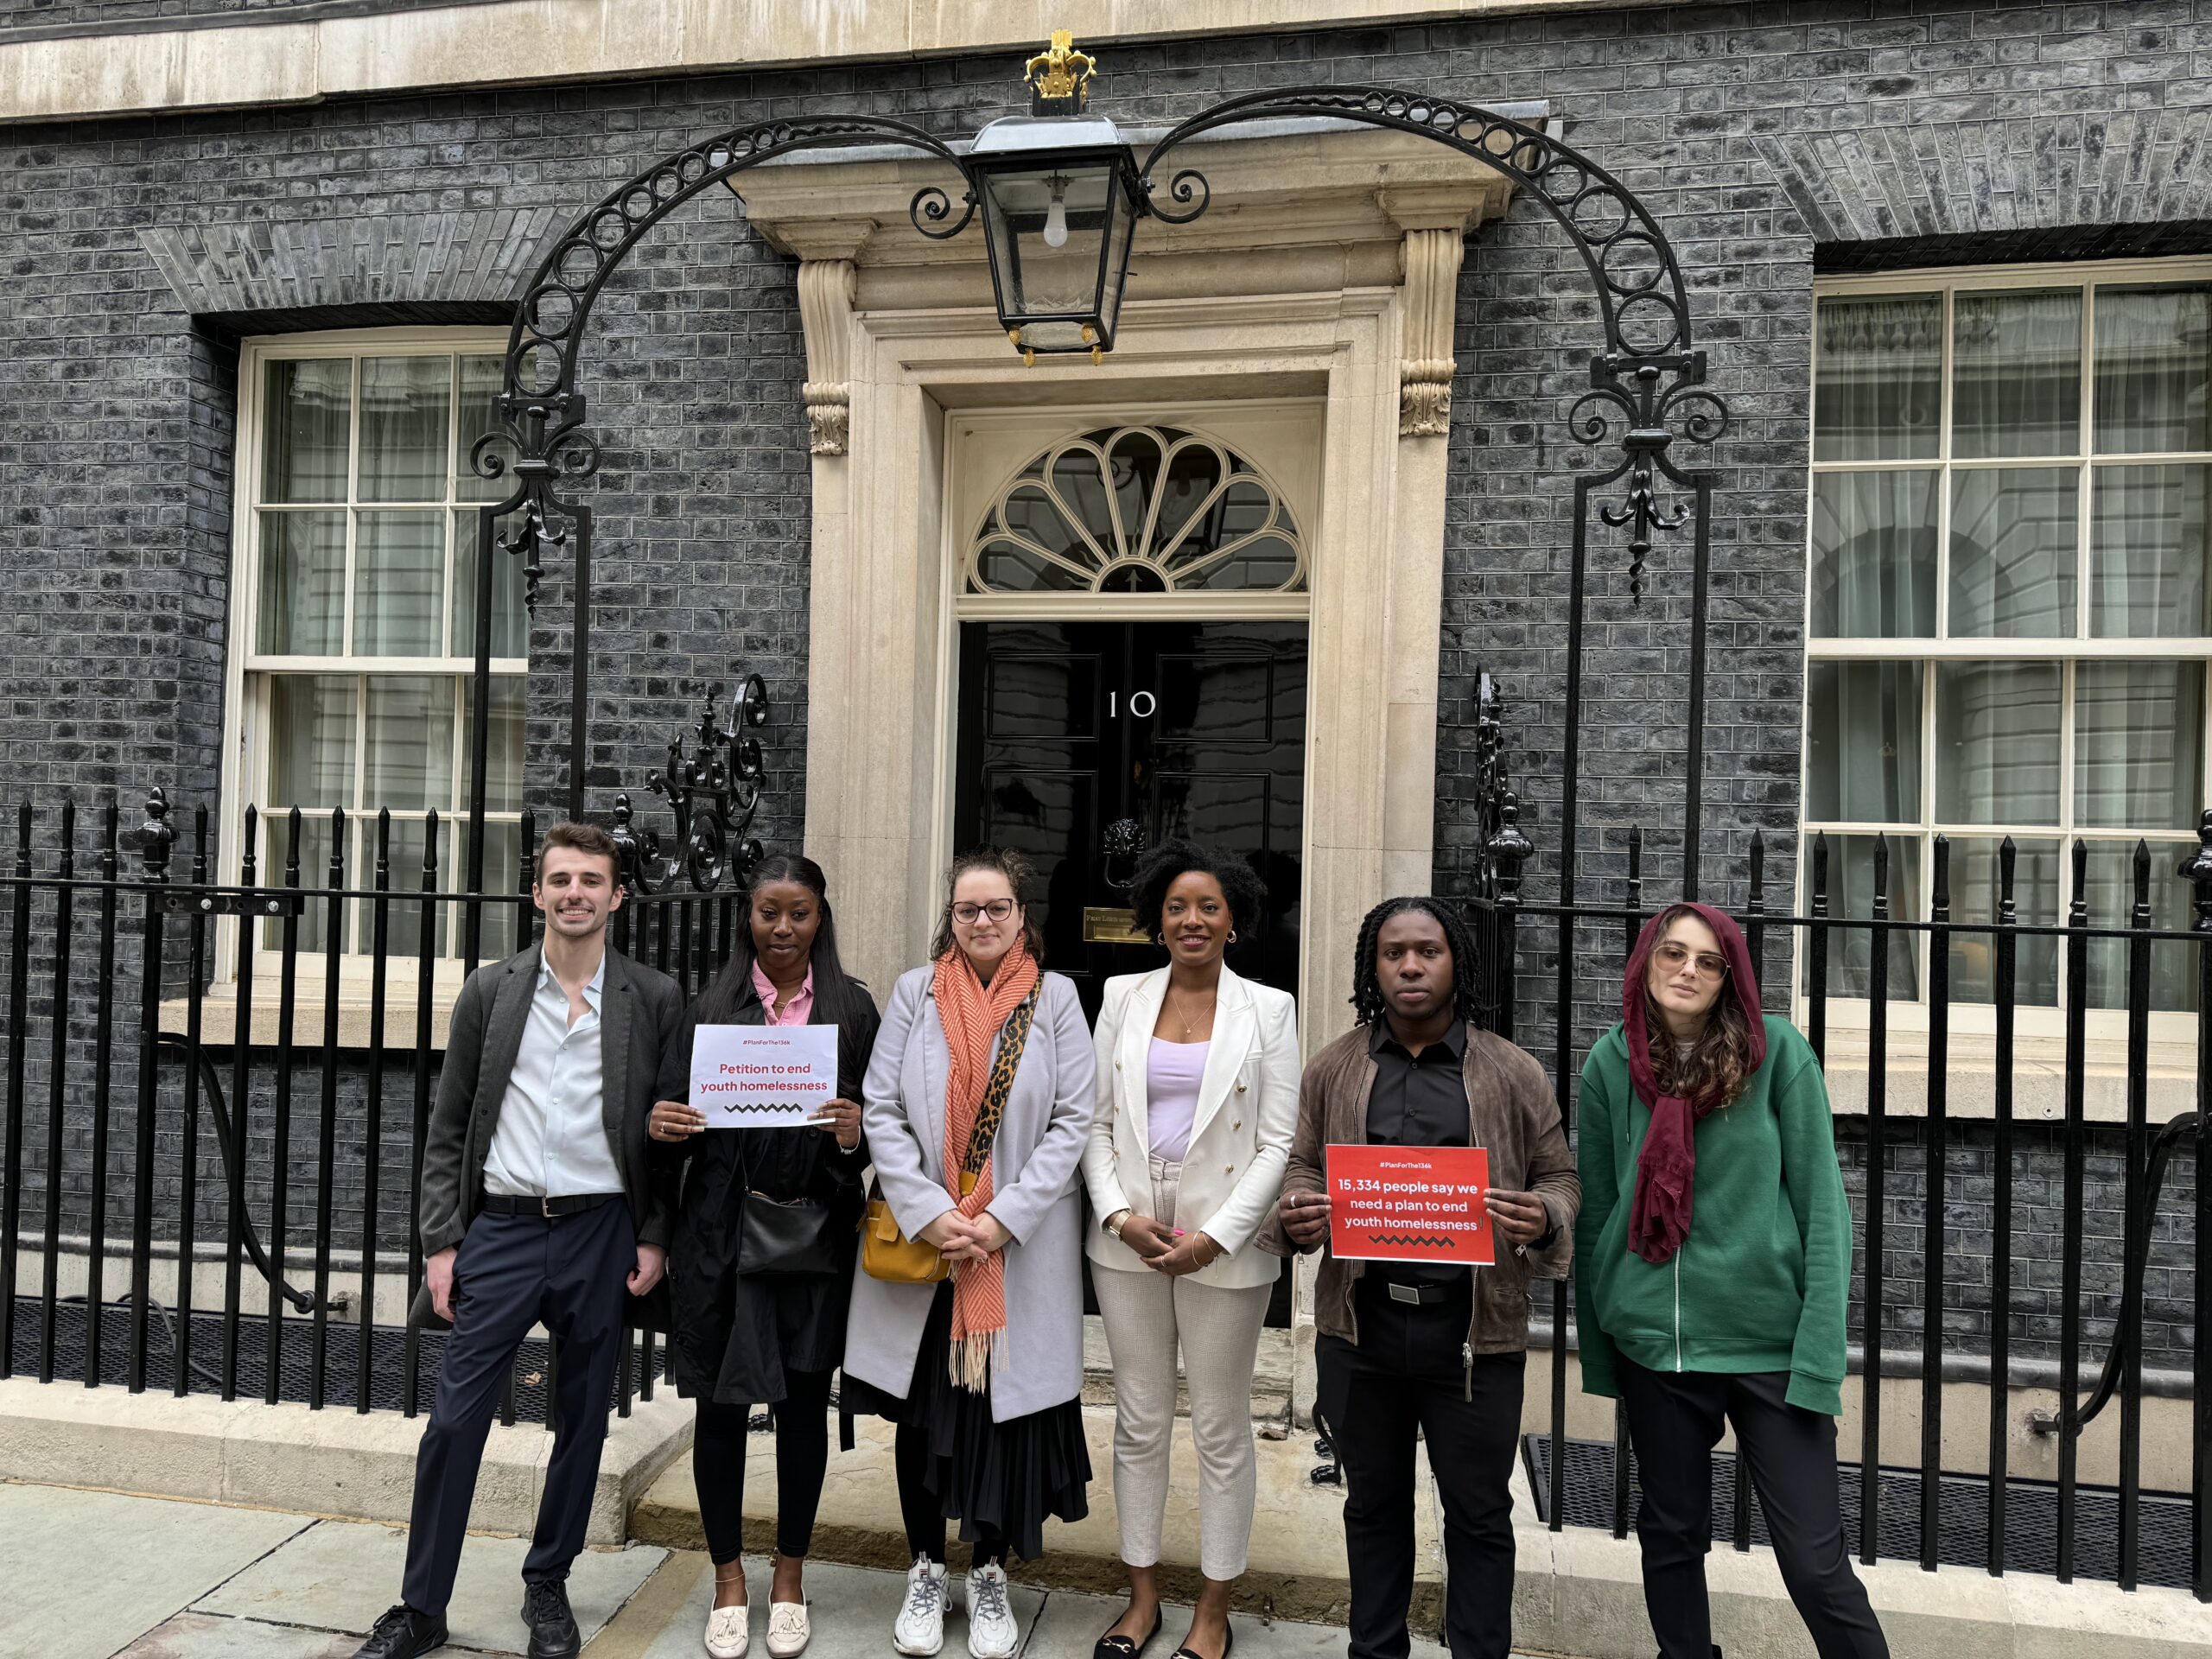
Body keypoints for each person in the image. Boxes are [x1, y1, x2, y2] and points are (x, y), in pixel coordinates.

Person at [354, 822, 684, 1659]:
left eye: (591, 881)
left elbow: (669, 1133)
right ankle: (421, 1605)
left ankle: (549, 1585)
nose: (575, 893)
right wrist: (441, 1241)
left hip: (601, 1230)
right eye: (560, 880)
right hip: (499, 1229)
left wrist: (653, 1236)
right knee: (454, 1421)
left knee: (581, 1419)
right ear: (537, 893)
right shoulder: (490, 993)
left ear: (617, 896)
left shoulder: (652, 997)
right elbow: (449, 1124)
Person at [1575, 902, 1887, 1659]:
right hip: (1659, 1351)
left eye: (1707, 961)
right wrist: (1604, 1347)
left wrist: (1819, 1359)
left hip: (1769, 1350)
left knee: (1815, 1565)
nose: (1687, 970)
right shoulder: (1609, 1064)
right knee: (1672, 1539)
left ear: (1729, 977)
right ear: (1646, 964)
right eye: (1673, 954)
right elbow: (1598, 1217)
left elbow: (1823, 1209)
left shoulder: (1777, 1053)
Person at [1273, 897, 1577, 1659]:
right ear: (1373, 967)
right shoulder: (1334, 1066)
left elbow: (1561, 1177)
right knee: (1373, 1509)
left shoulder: (1510, 1072)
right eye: (1394, 952)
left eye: (1428, 951)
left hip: (1472, 1334)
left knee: (1478, 1515)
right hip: (1361, 1326)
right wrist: (1298, 1209)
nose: (1411, 965)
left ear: (1455, 963)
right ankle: (1375, 1652)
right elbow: (1304, 1162)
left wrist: (1541, 1215)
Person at [841, 847, 1096, 1659]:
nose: (982, 922)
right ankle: (924, 1568)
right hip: (931, 1252)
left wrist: (1002, 1219)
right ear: (949, 919)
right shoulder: (915, 995)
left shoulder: (1056, 1000)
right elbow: (880, 1108)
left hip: (1010, 1251)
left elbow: (1073, 1122)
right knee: (923, 1421)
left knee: (996, 1419)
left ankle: (987, 1573)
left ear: (1023, 916)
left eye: (997, 908)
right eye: (967, 910)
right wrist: (928, 1211)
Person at [647, 855, 883, 1659]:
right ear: (747, 917)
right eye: (768, 913)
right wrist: (665, 1127)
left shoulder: (852, 1009)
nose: (783, 929)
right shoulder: (708, 1006)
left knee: (800, 1410)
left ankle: (788, 1575)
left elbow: (882, 1134)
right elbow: (665, 1125)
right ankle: (727, 1580)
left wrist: (855, 1136)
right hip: (717, 1238)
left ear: (823, 918)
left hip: (811, 1238)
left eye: (801, 914)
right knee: (717, 1410)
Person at [1082, 839, 1299, 1659]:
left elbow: (1279, 1143)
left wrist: (1217, 1236)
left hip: (1225, 1242)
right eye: (1177, 906)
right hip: (1130, 1237)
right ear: (1156, 920)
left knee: (1218, 1425)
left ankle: (1213, 1607)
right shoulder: (1122, 997)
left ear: (1233, 919)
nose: (1192, 919)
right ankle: (1140, 1599)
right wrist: (1116, 1216)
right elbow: (1096, 1123)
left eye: (1208, 906)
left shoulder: (1268, 1010)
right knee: (1137, 1421)